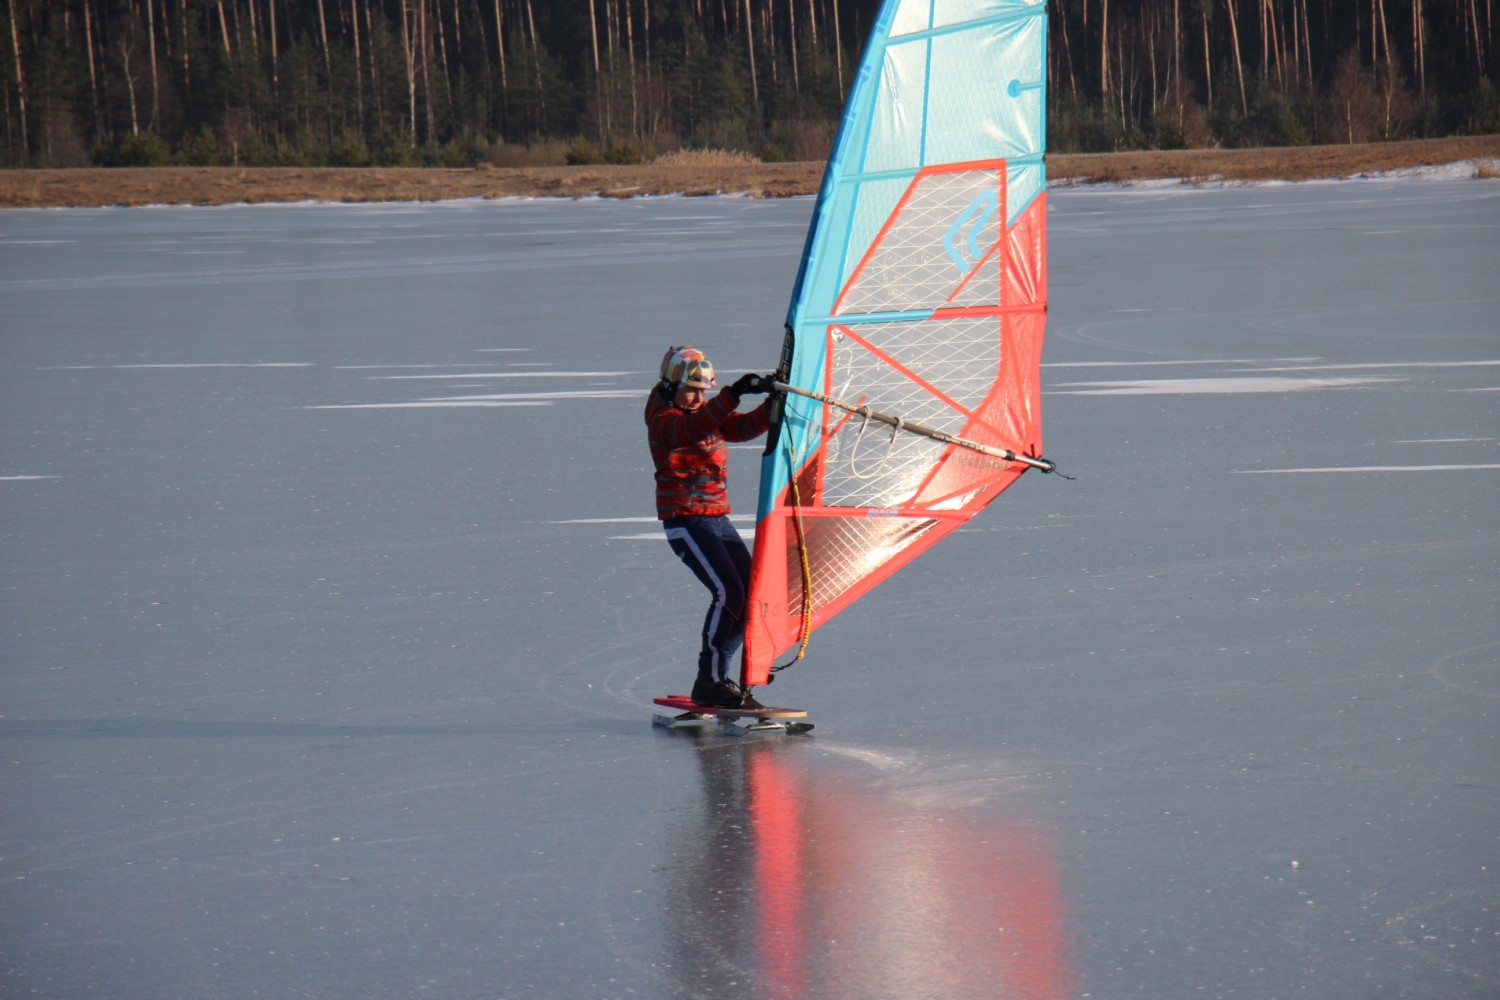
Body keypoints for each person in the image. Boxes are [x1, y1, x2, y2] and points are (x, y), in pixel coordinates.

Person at [645, 346, 774, 709]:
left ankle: (723, 679)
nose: (699, 399)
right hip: (685, 520)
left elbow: (739, 427)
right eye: (692, 390)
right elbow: (691, 429)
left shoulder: (702, 410)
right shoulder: (662, 416)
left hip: (717, 518)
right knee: (728, 592)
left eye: (704, 392)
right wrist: (733, 394)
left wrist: (772, 404)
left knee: (751, 596)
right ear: (671, 386)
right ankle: (710, 681)